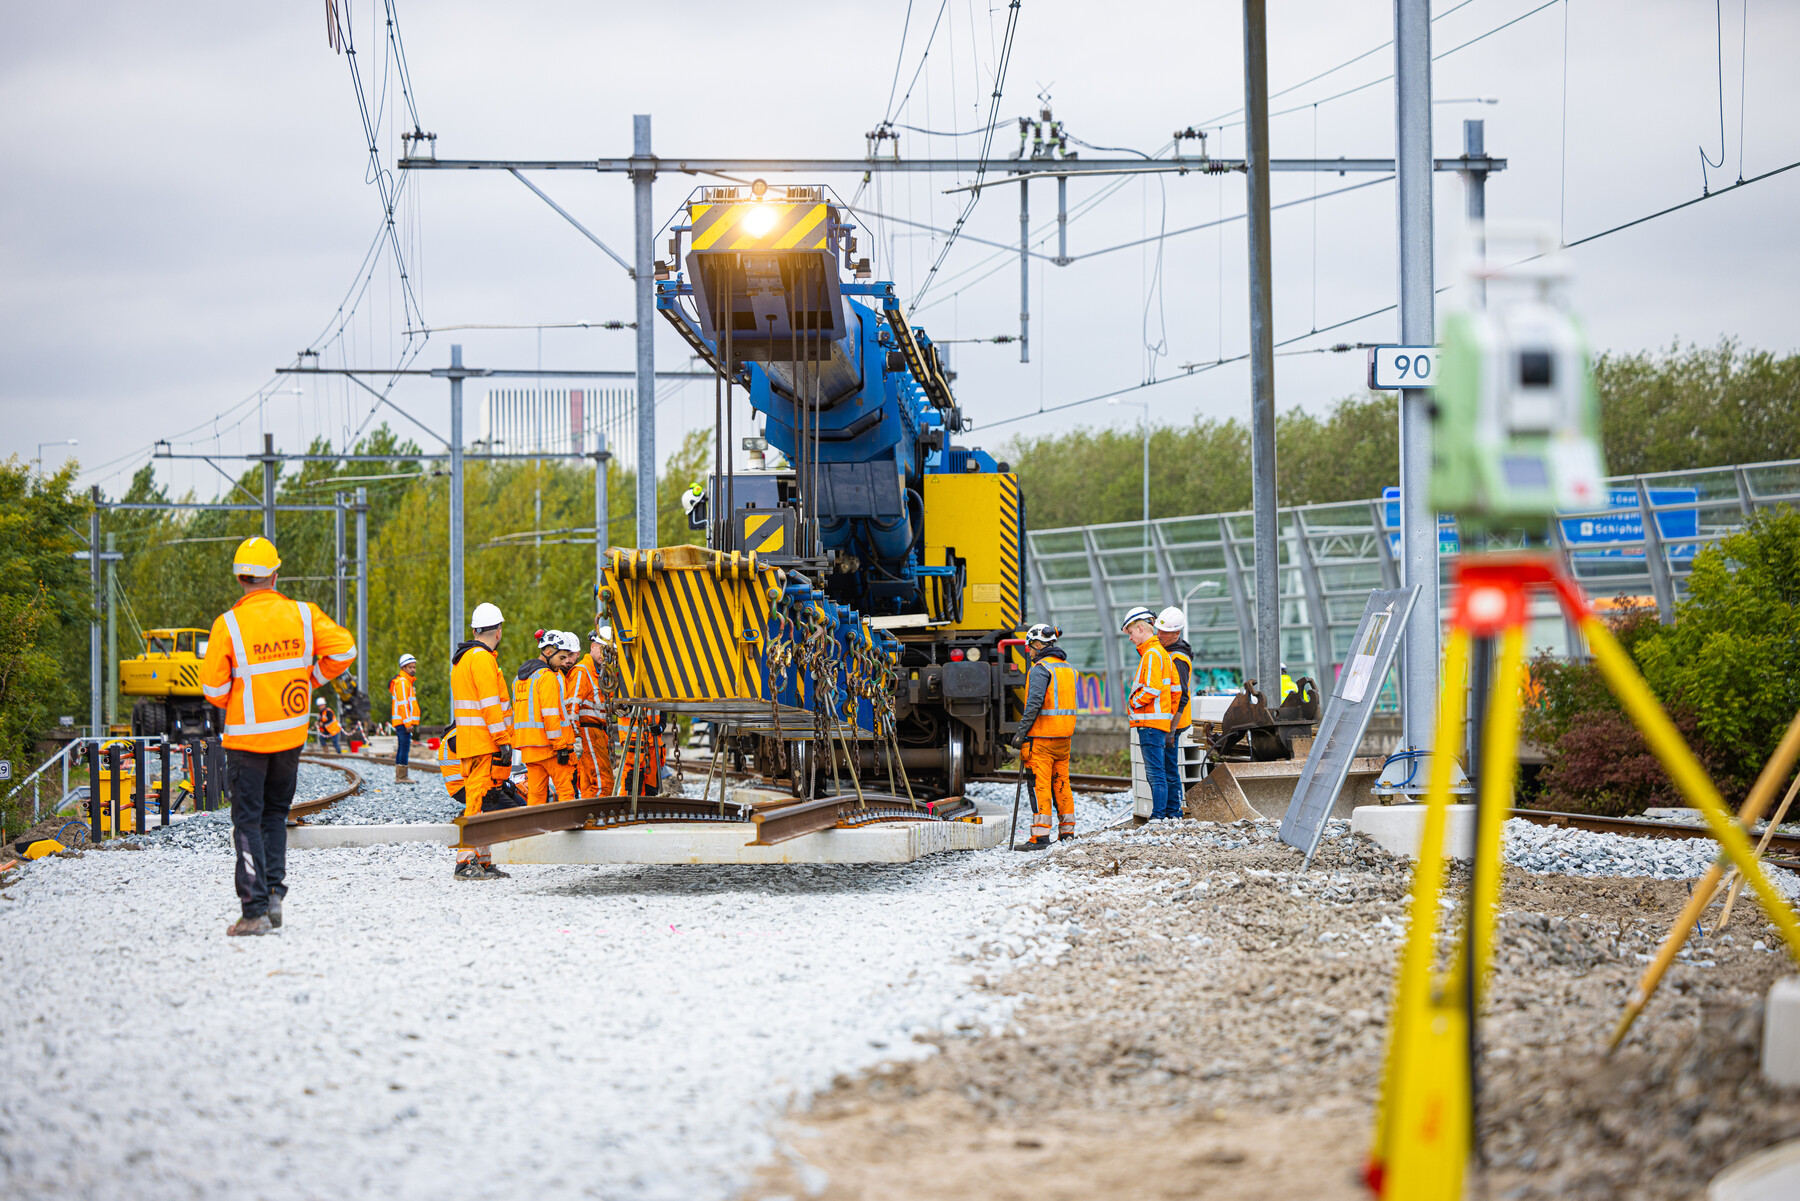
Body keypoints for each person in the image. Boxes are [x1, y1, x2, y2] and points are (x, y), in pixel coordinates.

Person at [199, 535, 357, 936]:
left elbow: (214, 691)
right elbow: (345, 650)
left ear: (240, 579)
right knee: (274, 815)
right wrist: (310, 677)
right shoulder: (303, 615)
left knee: (247, 820)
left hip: (246, 744)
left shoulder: (228, 625)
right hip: (290, 737)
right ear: (274, 573)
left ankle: (252, 912)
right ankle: (273, 894)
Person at [450, 602, 514, 880]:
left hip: (473, 742)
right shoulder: (482, 659)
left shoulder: (463, 660)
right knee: (477, 803)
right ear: (498, 630)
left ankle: (484, 861)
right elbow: (490, 705)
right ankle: (465, 863)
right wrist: (503, 740)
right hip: (484, 743)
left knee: (487, 802)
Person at [1011, 623, 1079, 848]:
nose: (1029, 652)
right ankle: (1067, 833)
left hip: (1042, 738)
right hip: (1065, 738)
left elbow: (1033, 704)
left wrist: (1021, 734)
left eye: (1031, 647)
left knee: (1040, 785)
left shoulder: (1041, 669)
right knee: (1062, 783)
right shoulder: (1068, 668)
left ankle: (1040, 837)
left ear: (1039, 645)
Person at [1122, 605, 1179, 821]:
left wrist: (1134, 703)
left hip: (1150, 723)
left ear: (1139, 628)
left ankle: (1158, 817)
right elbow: (1175, 691)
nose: (1130, 639)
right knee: (1162, 771)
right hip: (1159, 723)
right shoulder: (1161, 654)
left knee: (1155, 774)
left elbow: (1152, 689)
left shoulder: (1152, 654)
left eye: (1130, 633)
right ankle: (1171, 814)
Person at [514, 629, 579, 806]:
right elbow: (550, 715)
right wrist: (560, 746)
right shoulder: (547, 677)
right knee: (565, 790)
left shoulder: (519, 680)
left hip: (528, 748)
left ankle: (535, 829)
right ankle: (568, 827)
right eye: (562, 658)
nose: (564, 663)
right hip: (549, 748)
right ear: (549, 652)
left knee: (535, 795)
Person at [564, 627, 615, 798]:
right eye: (601, 649)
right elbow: (572, 706)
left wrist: (615, 707)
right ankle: (600, 815)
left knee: (587, 782)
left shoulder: (599, 673)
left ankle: (590, 818)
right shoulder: (582, 671)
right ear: (592, 646)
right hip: (587, 731)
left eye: (608, 651)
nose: (604, 655)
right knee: (603, 781)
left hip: (595, 732)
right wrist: (575, 737)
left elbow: (596, 703)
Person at [1156, 607, 1194, 813]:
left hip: (1174, 722)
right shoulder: (1170, 653)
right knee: (1167, 766)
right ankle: (1172, 811)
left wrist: (1171, 729)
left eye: (1164, 632)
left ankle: (1173, 812)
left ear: (1176, 634)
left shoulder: (1177, 658)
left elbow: (1182, 695)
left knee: (1169, 768)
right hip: (1169, 719)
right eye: (1158, 631)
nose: (1159, 635)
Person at [389, 653, 420, 783]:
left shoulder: (406, 682)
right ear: (404, 668)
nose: (413, 669)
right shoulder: (402, 682)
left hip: (402, 721)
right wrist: (408, 723)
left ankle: (401, 776)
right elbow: (403, 705)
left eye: (414, 667)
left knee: (403, 746)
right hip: (403, 722)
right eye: (410, 667)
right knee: (404, 747)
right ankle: (401, 777)